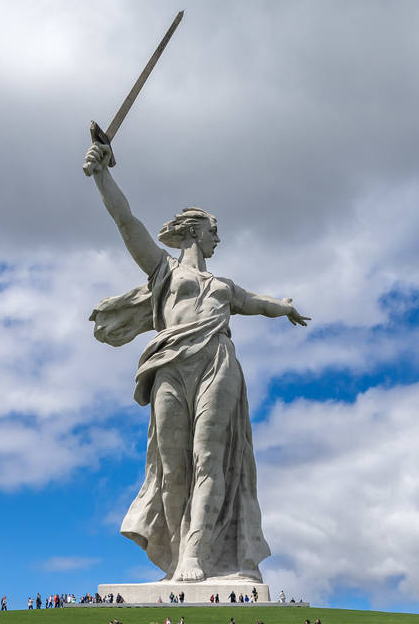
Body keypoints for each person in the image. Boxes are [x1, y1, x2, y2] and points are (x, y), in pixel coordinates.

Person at [84, 142, 309, 583]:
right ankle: (175, 557)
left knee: (210, 456)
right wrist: (102, 175)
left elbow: (255, 302)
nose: (218, 237)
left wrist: (283, 307)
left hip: (218, 361)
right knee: (173, 467)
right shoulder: (164, 271)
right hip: (171, 363)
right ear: (193, 232)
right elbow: (126, 222)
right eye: (213, 229)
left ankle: (194, 555)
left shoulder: (223, 285)